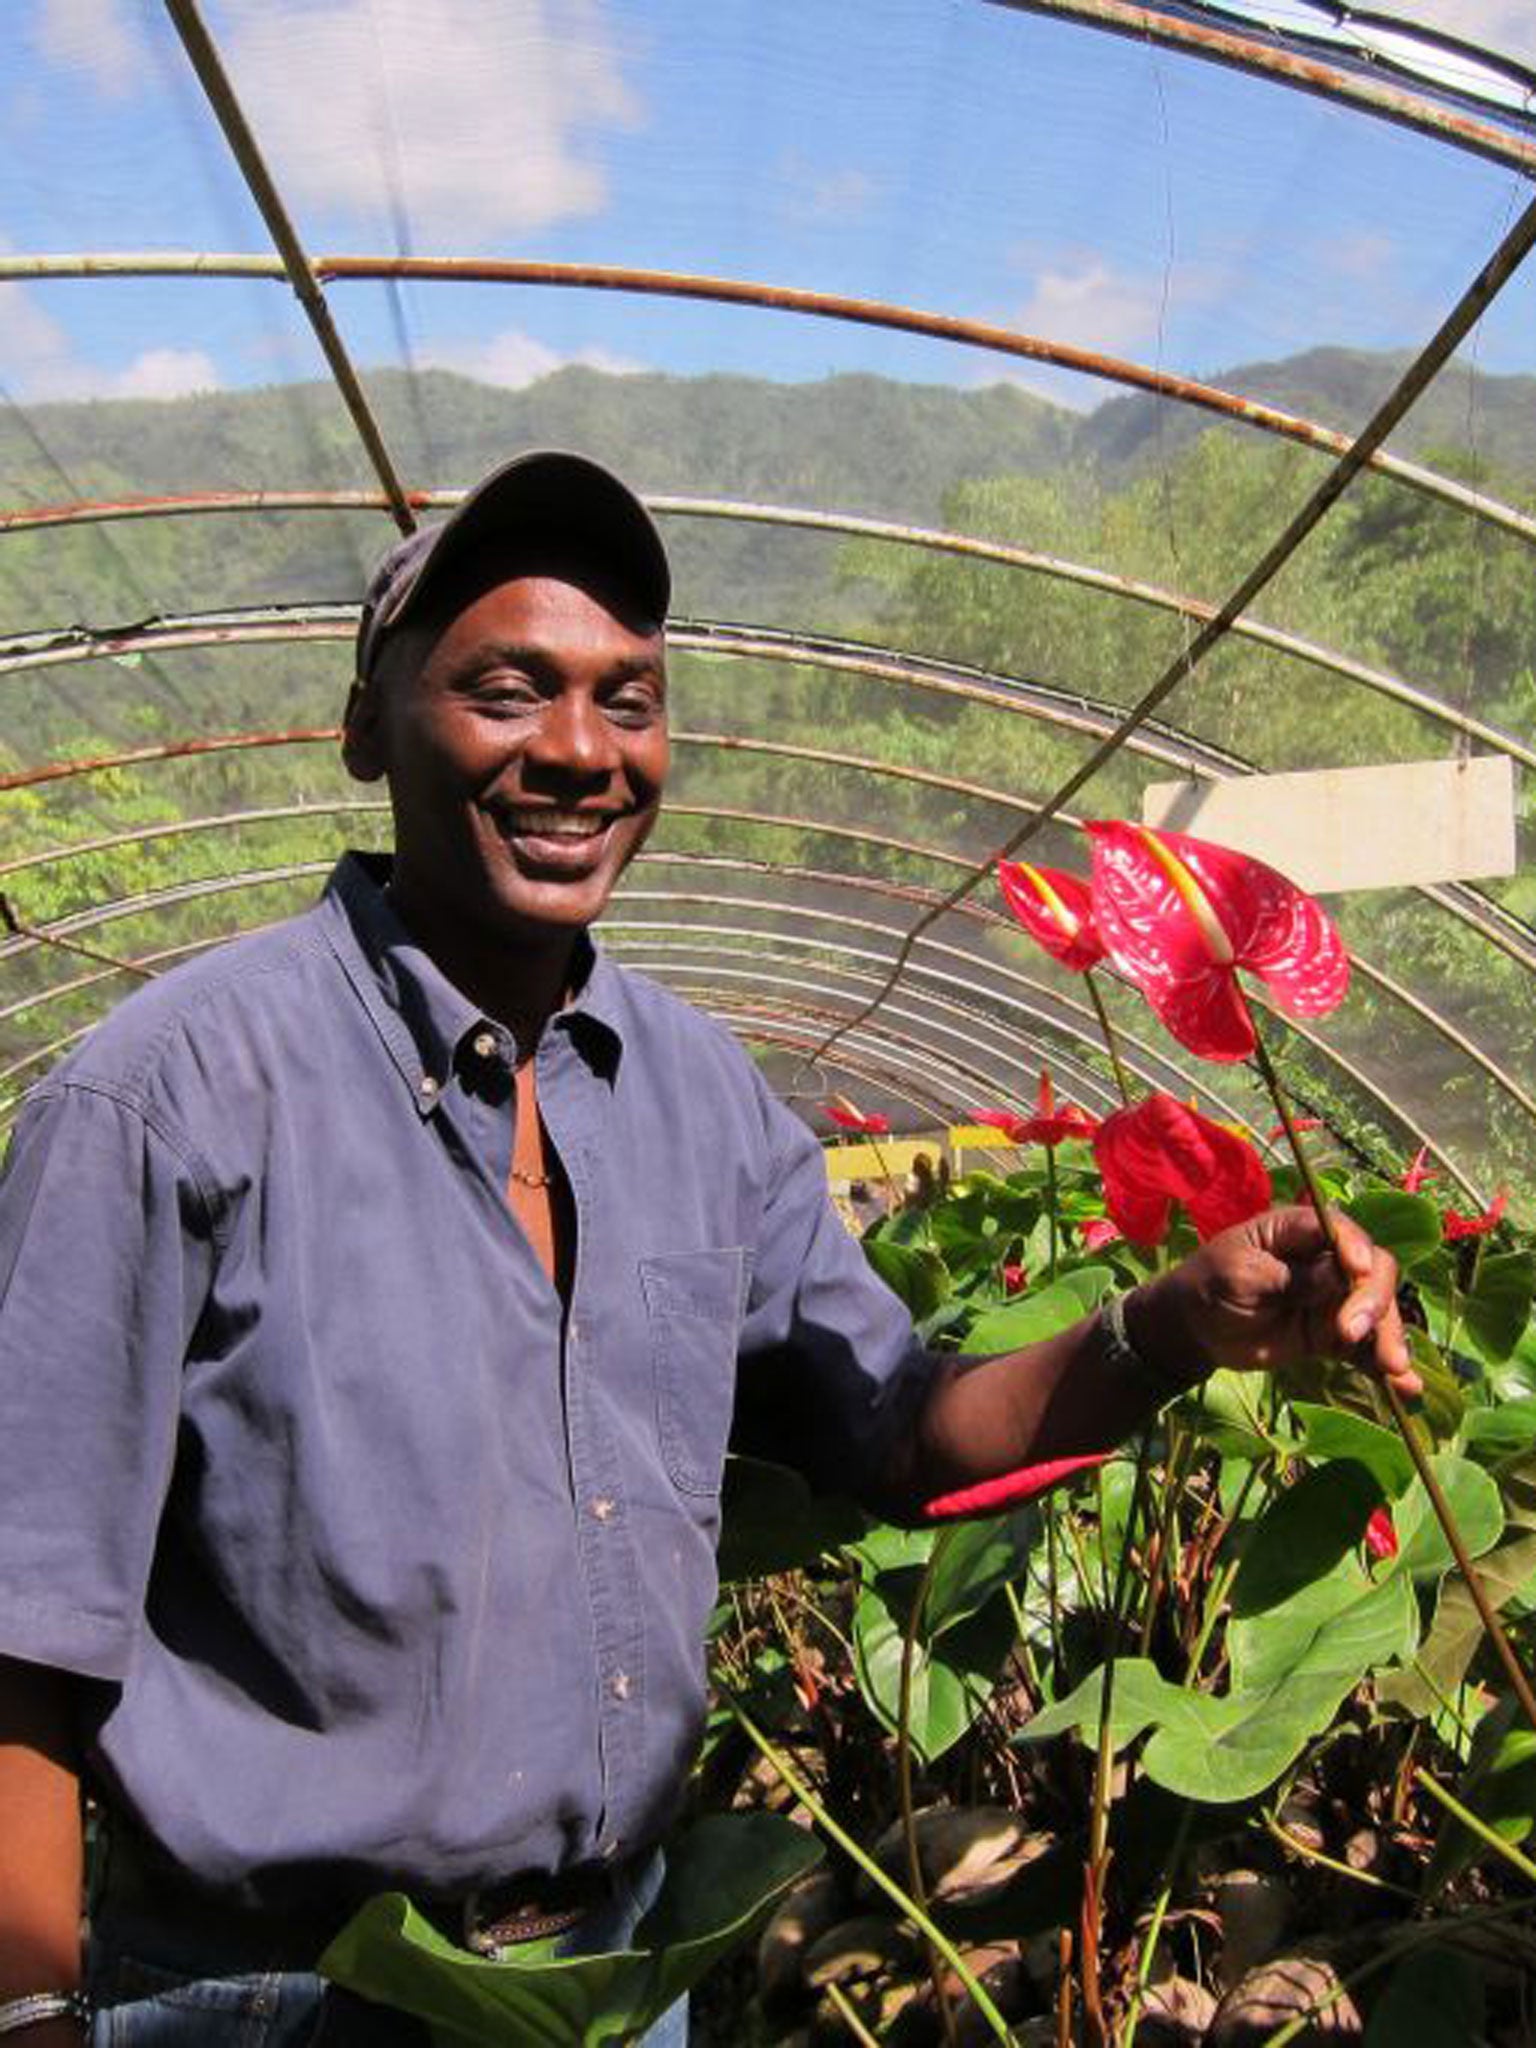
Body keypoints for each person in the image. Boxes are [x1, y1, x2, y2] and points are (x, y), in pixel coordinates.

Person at [0, 452, 1416, 2048]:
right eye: (508, 691)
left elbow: (898, 1434)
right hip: (272, 1996)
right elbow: (22, 1625)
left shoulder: (698, 1098)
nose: (577, 753)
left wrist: (1171, 1325)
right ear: (361, 727)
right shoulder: (169, 1100)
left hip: (622, 1972)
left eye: (629, 699)